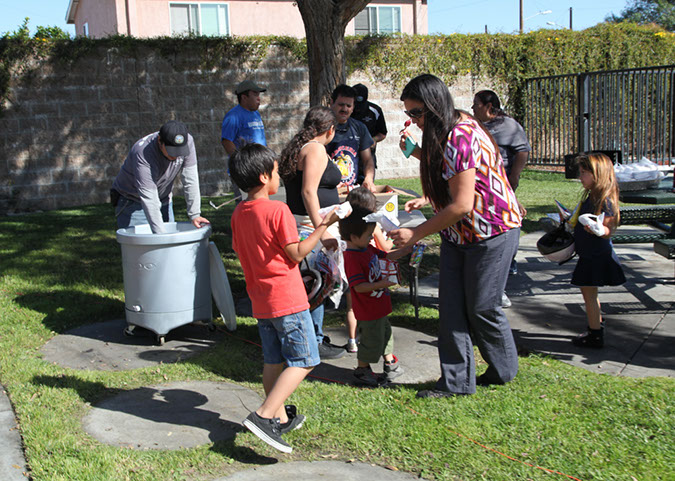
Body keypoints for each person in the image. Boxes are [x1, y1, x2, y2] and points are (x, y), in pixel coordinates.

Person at [390, 74, 522, 398]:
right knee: (450, 308)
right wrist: (415, 153)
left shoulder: (460, 133)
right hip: (458, 235)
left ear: (434, 108)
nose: (414, 120)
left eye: (417, 113)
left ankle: (503, 370)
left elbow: (462, 204)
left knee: (482, 307)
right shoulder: (448, 129)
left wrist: (416, 234)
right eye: (409, 114)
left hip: (492, 232)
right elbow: (448, 168)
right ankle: (456, 384)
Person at [230, 142, 342, 453]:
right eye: (278, 172)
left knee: (273, 360)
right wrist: (323, 226)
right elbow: (295, 254)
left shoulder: (238, 213)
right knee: (306, 359)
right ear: (265, 177)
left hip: (261, 301)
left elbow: (241, 251)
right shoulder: (277, 209)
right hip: (288, 299)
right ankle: (265, 415)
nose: (280, 177)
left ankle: (279, 417)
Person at [279, 106, 346, 360]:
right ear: (330, 130)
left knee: (310, 282)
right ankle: (314, 339)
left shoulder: (299, 147)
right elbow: (308, 192)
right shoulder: (316, 149)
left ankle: (311, 335)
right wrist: (322, 229)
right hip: (310, 223)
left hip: (303, 220)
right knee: (317, 283)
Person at [339, 189, 407, 386]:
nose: (371, 238)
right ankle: (362, 370)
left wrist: (406, 249)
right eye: (368, 235)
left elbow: (386, 255)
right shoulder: (352, 257)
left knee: (385, 335)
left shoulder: (366, 248)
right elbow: (358, 287)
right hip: (368, 310)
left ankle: (390, 364)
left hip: (379, 306)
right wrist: (383, 284)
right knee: (371, 341)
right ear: (353, 236)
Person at [472, 89, 531, 305]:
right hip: (481, 189)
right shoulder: (476, 126)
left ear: (489, 106)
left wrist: (513, 176)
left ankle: (500, 284)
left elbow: (522, 151)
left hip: (501, 186)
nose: (472, 109)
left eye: (476, 104)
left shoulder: (509, 126)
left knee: (502, 229)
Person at [111, 120, 210, 234]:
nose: (176, 156)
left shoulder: (188, 142)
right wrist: (161, 236)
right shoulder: (143, 153)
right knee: (142, 248)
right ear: (159, 141)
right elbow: (149, 198)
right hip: (133, 202)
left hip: (163, 198)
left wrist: (195, 215)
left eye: (179, 152)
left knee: (169, 244)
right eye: (171, 151)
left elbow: (190, 180)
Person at [570, 153, 626, 348]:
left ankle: (595, 335)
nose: (580, 177)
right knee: (590, 294)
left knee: (589, 295)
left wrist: (598, 229)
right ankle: (596, 324)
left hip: (595, 254)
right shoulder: (592, 196)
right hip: (589, 253)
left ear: (598, 175)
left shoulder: (605, 200)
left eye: (584, 173)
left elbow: (608, 229)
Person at [221, 80, 267, 201]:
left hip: (259, 167)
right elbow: (226, 141)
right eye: (255, 95)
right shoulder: (233, 116)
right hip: (244, 170)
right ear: (244, 97)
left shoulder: (256, 114)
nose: (259, 98)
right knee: (246, 207)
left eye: (259, 95)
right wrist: (241, 162)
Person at [327, 84, 376, 192]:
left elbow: (367, 159)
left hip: (353, 189)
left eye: (349, 106)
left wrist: (368, 178)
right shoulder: (322, 127)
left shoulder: (359, 128)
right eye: (341, 105)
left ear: (353, 107)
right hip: (330, 190)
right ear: (331, 103)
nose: (344, 109)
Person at [351, 83, 387, 184]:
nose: (357, 109)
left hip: (367, 157)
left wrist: (373, 140)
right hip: (349, 156)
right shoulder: (346, 110)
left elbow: (382, 133)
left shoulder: (375, 110)